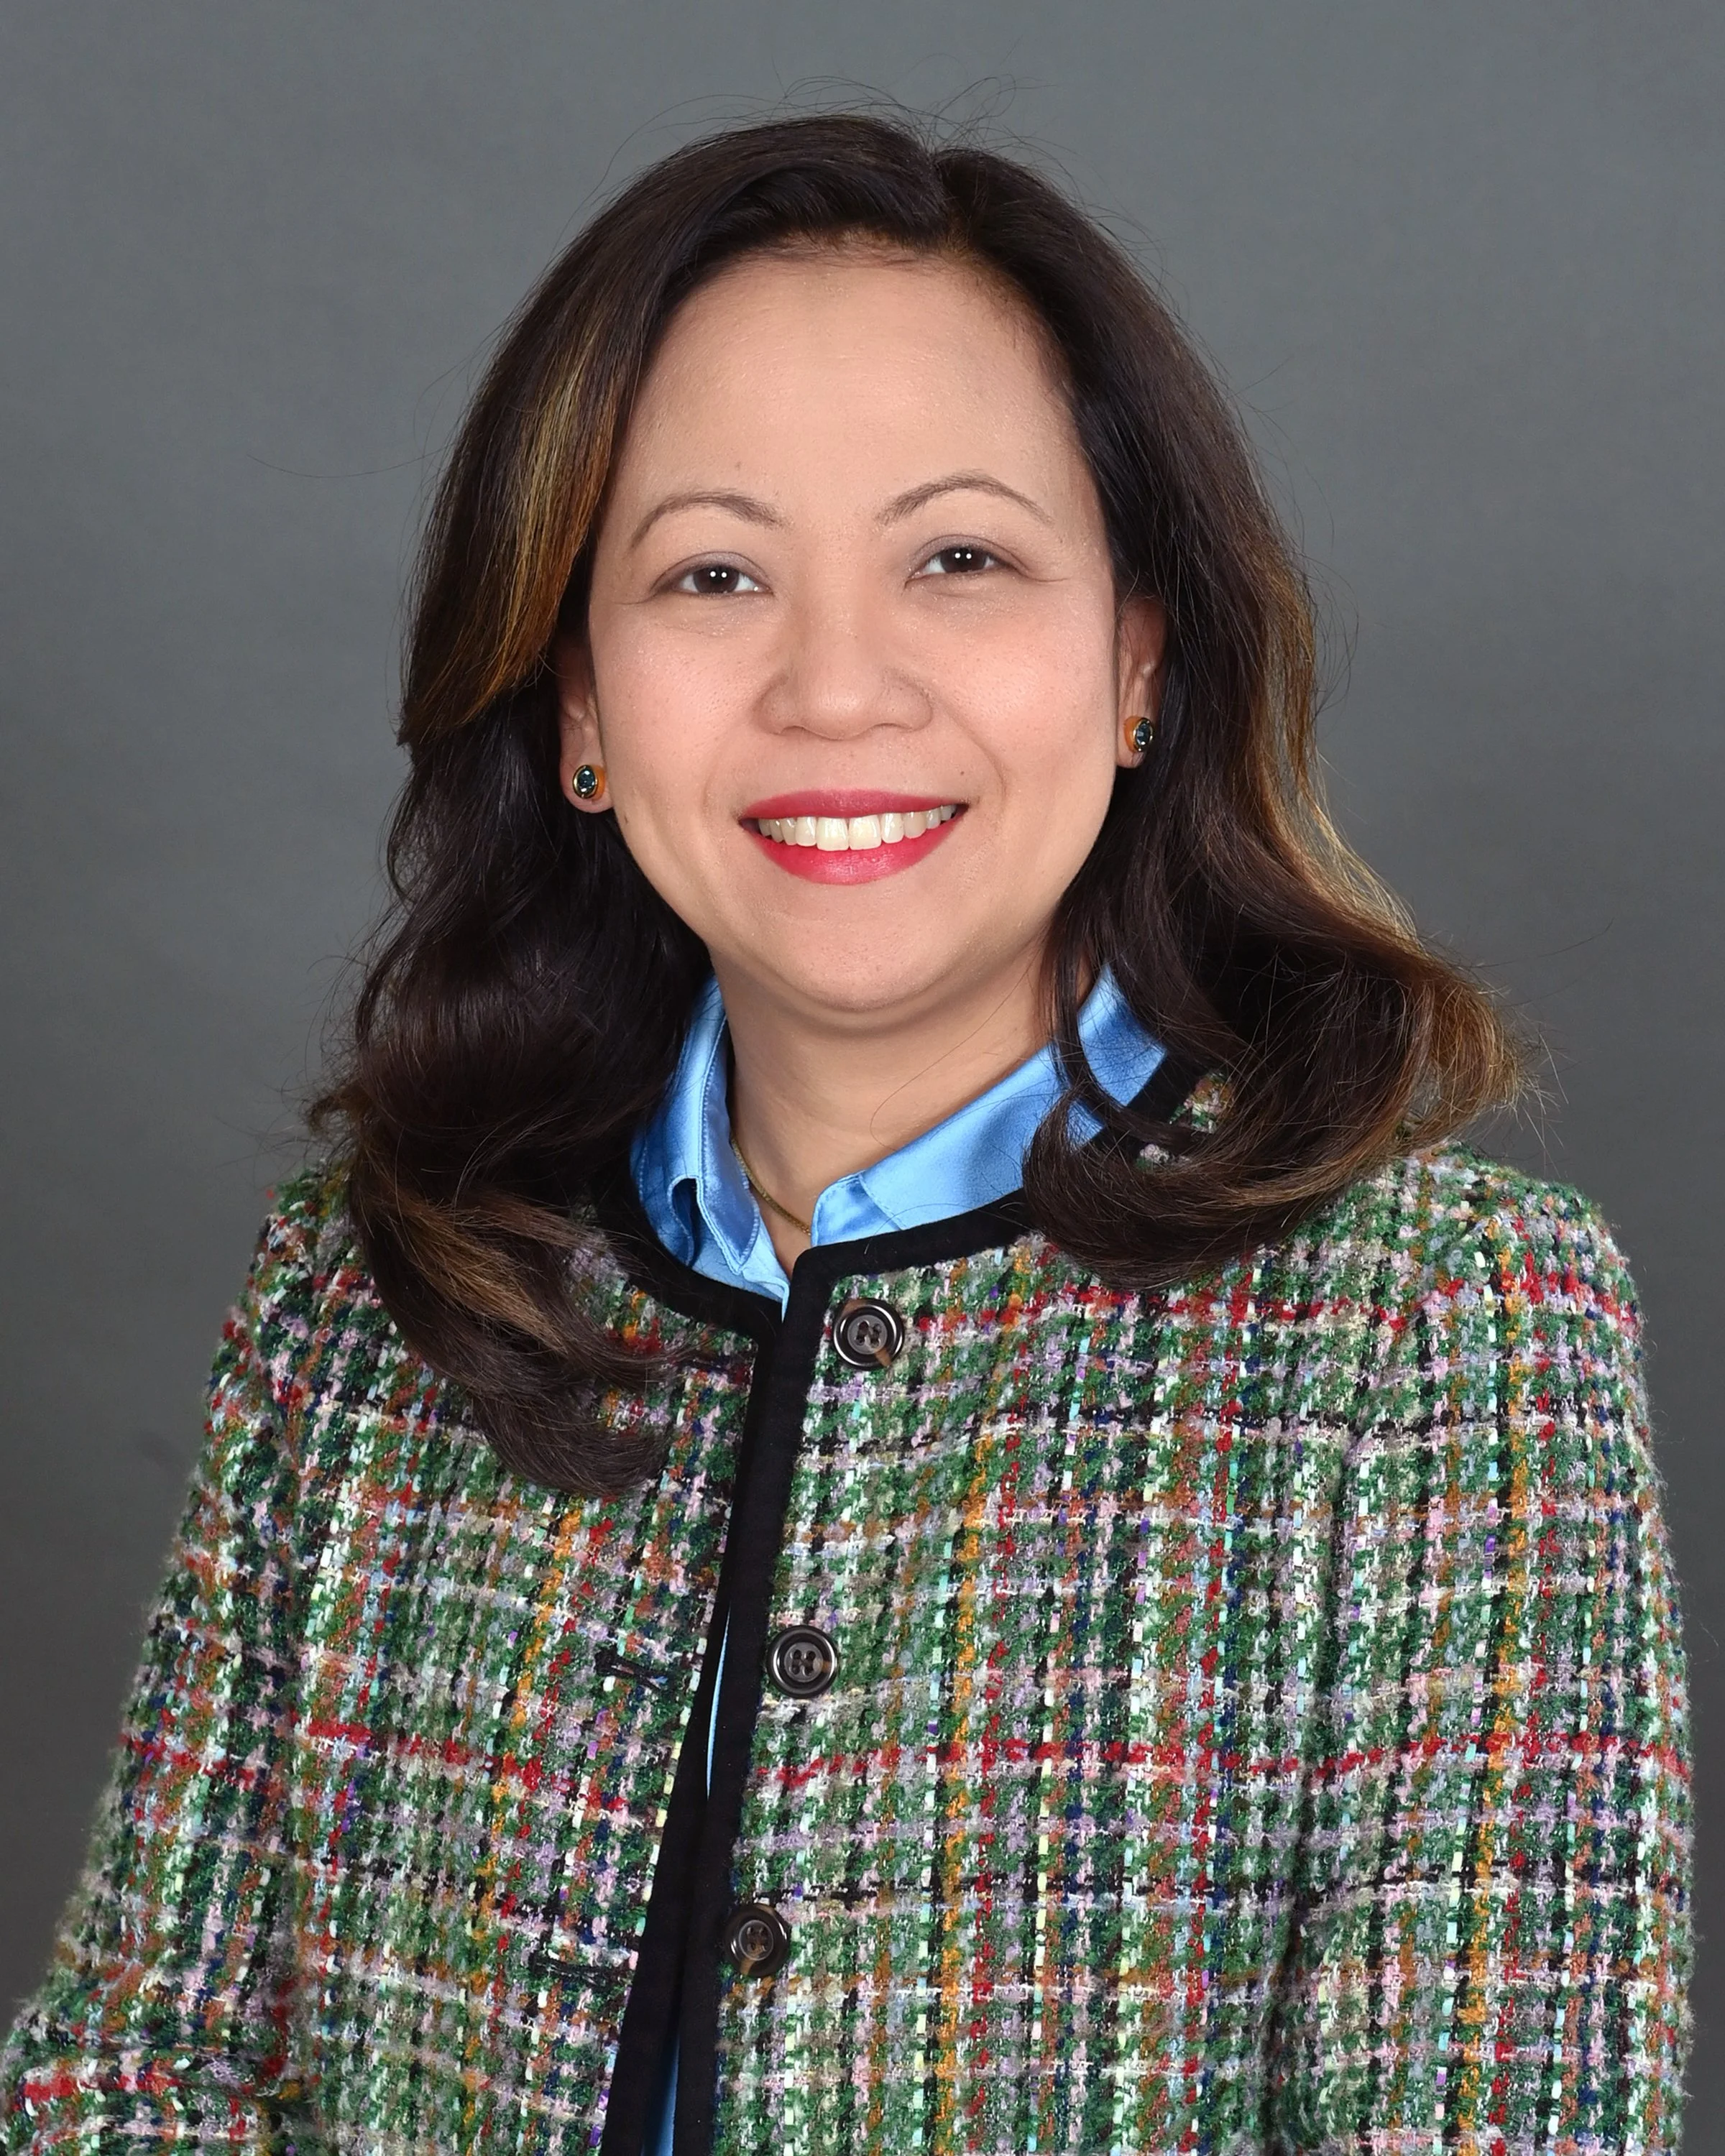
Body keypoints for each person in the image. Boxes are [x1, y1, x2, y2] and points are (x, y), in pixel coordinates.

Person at [0, 111, 1690, 2156]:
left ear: (1140, 654)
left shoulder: (1447, 1335)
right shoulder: (369, 1303)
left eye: (957, 559)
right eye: (713, 574)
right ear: (582, 708)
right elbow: (133, 2080)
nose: (834, 686)